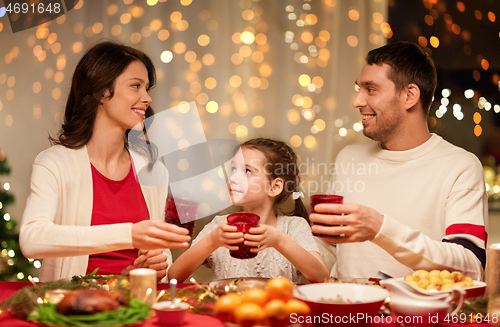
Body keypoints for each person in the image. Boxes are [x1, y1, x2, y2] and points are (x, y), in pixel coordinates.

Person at [310, 41, 487, 280]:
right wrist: (275, 239)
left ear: (409, 95)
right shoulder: (348, 158)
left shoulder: (460, 167)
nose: (357, 101)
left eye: (370, 89)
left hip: (414, 316)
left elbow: (470, 264)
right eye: (359, 88)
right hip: (346, 309)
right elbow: (330, 251)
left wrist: (380, 228)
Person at [19, 42, 191, 282]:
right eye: (135, 86)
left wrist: (157, 265)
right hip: (73, 309)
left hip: (136, 306)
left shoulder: (154, 171)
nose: (147, 97)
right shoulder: (54, 163)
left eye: (147, 87)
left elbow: (158, 257)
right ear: (101, 92)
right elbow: (32, 239)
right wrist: (130, 234)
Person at [168, 138, 329, 283]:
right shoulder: (219, 226)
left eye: (247, 171)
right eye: (232, 169)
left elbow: (322, 277)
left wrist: (279, 241)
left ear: (275, 187)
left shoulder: (293, 227)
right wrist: (212, 241)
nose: (232, 178)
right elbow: (174, 275)